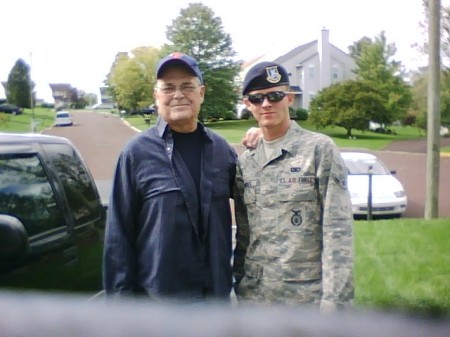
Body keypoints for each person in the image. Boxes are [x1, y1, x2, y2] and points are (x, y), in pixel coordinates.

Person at [103, 52, 237, 302]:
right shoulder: (136, 153)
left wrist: (264, 137)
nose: (178, 95)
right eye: (168, 88)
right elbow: (118, 236)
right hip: (159, 307)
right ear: (156, 96)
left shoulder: (222, 151)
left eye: (187, 86)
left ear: (202, 93)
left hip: (215, 302)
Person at [233, 61, 354, 312]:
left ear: (289, 98)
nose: (266, 104)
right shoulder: (246, 162)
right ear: (248, 105)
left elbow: (337, 230)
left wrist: (335, 303)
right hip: (255, 299)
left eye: (275, 95)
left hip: (305, 300)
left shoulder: (319, 150)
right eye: (257, 99)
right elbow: (244, 234)